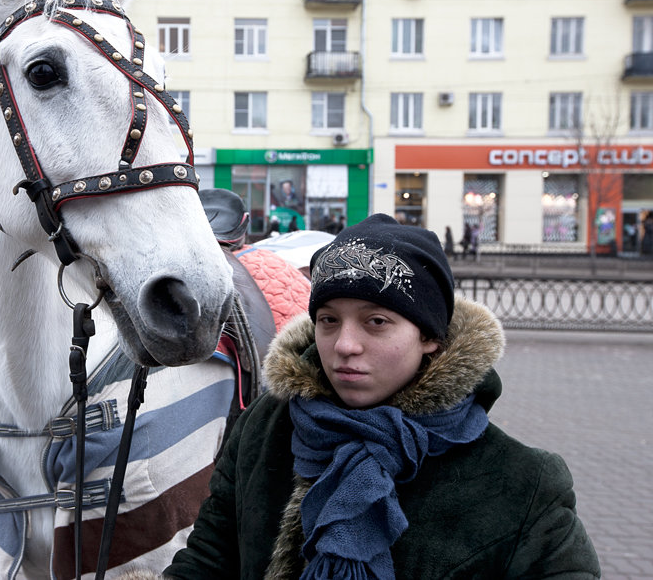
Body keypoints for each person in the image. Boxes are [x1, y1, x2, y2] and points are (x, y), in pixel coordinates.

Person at [160, 214, 600, 578]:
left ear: (429, 336)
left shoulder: (521, 481)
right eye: (329, 320)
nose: (345, 345)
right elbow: (207, 562)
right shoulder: (267, 427)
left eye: (376, 322)